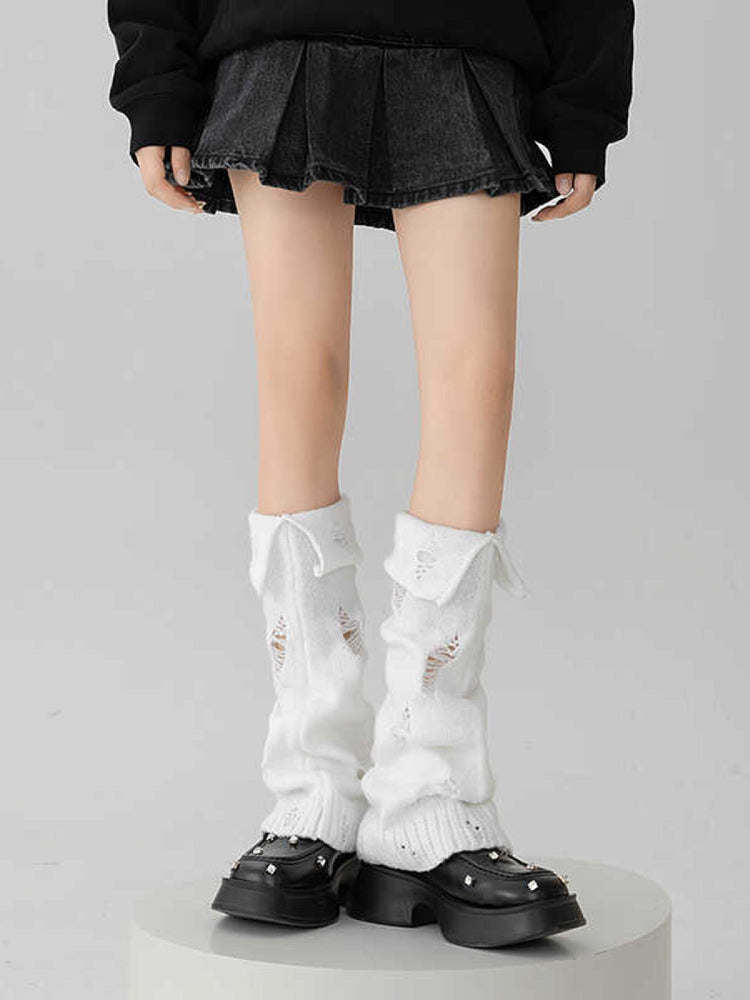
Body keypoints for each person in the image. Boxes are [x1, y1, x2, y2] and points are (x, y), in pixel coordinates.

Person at [107, 0, 634, 949]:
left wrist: (584, 102)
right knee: (299, 380)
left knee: (476, 381)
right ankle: (313, 793)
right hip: (281, 35)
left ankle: (429, 797)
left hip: (467, 36)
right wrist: (158, 87)